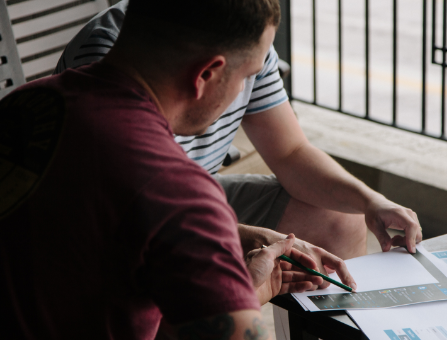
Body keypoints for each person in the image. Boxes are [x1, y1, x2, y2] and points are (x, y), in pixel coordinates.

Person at [0, 0, 335, 338]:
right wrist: (243, 292)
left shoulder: (26, 106)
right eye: (247, 76)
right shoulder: (176, 187)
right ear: (206, 74)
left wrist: (233, 261)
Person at [54, 0, 423, 271]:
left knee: (340, 215)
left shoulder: (246, 30)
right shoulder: (116, 63)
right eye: (247, 76)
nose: (247, 90)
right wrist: (252, 238)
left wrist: (369, 200)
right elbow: (134, 209)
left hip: (195, 194)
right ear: (206, 73)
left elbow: (290, 151)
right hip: (119, 216)